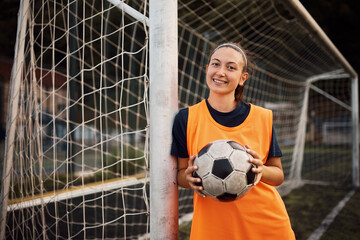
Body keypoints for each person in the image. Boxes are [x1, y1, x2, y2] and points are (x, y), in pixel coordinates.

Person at [171, 42, 295, 239]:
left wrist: (260, 170)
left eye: (231, 67)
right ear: (207, 69)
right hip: (214, 228)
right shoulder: (186, 119)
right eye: (215, 64)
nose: (220, 72)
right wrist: (190, 178)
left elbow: (278, 175)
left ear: (242, 78)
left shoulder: (262, 117)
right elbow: (179, 175)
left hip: (266, 226)